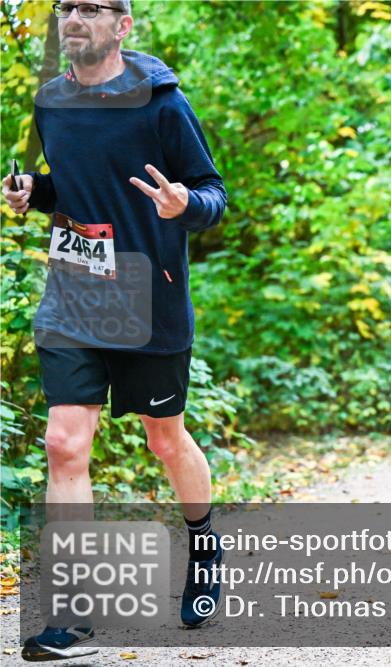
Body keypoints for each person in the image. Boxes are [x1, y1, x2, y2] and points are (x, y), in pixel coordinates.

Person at [2, 1, 227, 660]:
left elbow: (211, 193)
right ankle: (72, 618)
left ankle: (205, 543)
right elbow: (69, 189)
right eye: (69, 5)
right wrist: (32, 193)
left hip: (147, 298)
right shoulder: (50, 103)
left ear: (122, 26)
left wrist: (185, 203)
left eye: (94, 7)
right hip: (74, 293)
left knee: (166, 440)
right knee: (64, 443)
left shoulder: (161, 103)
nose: (77, 16)